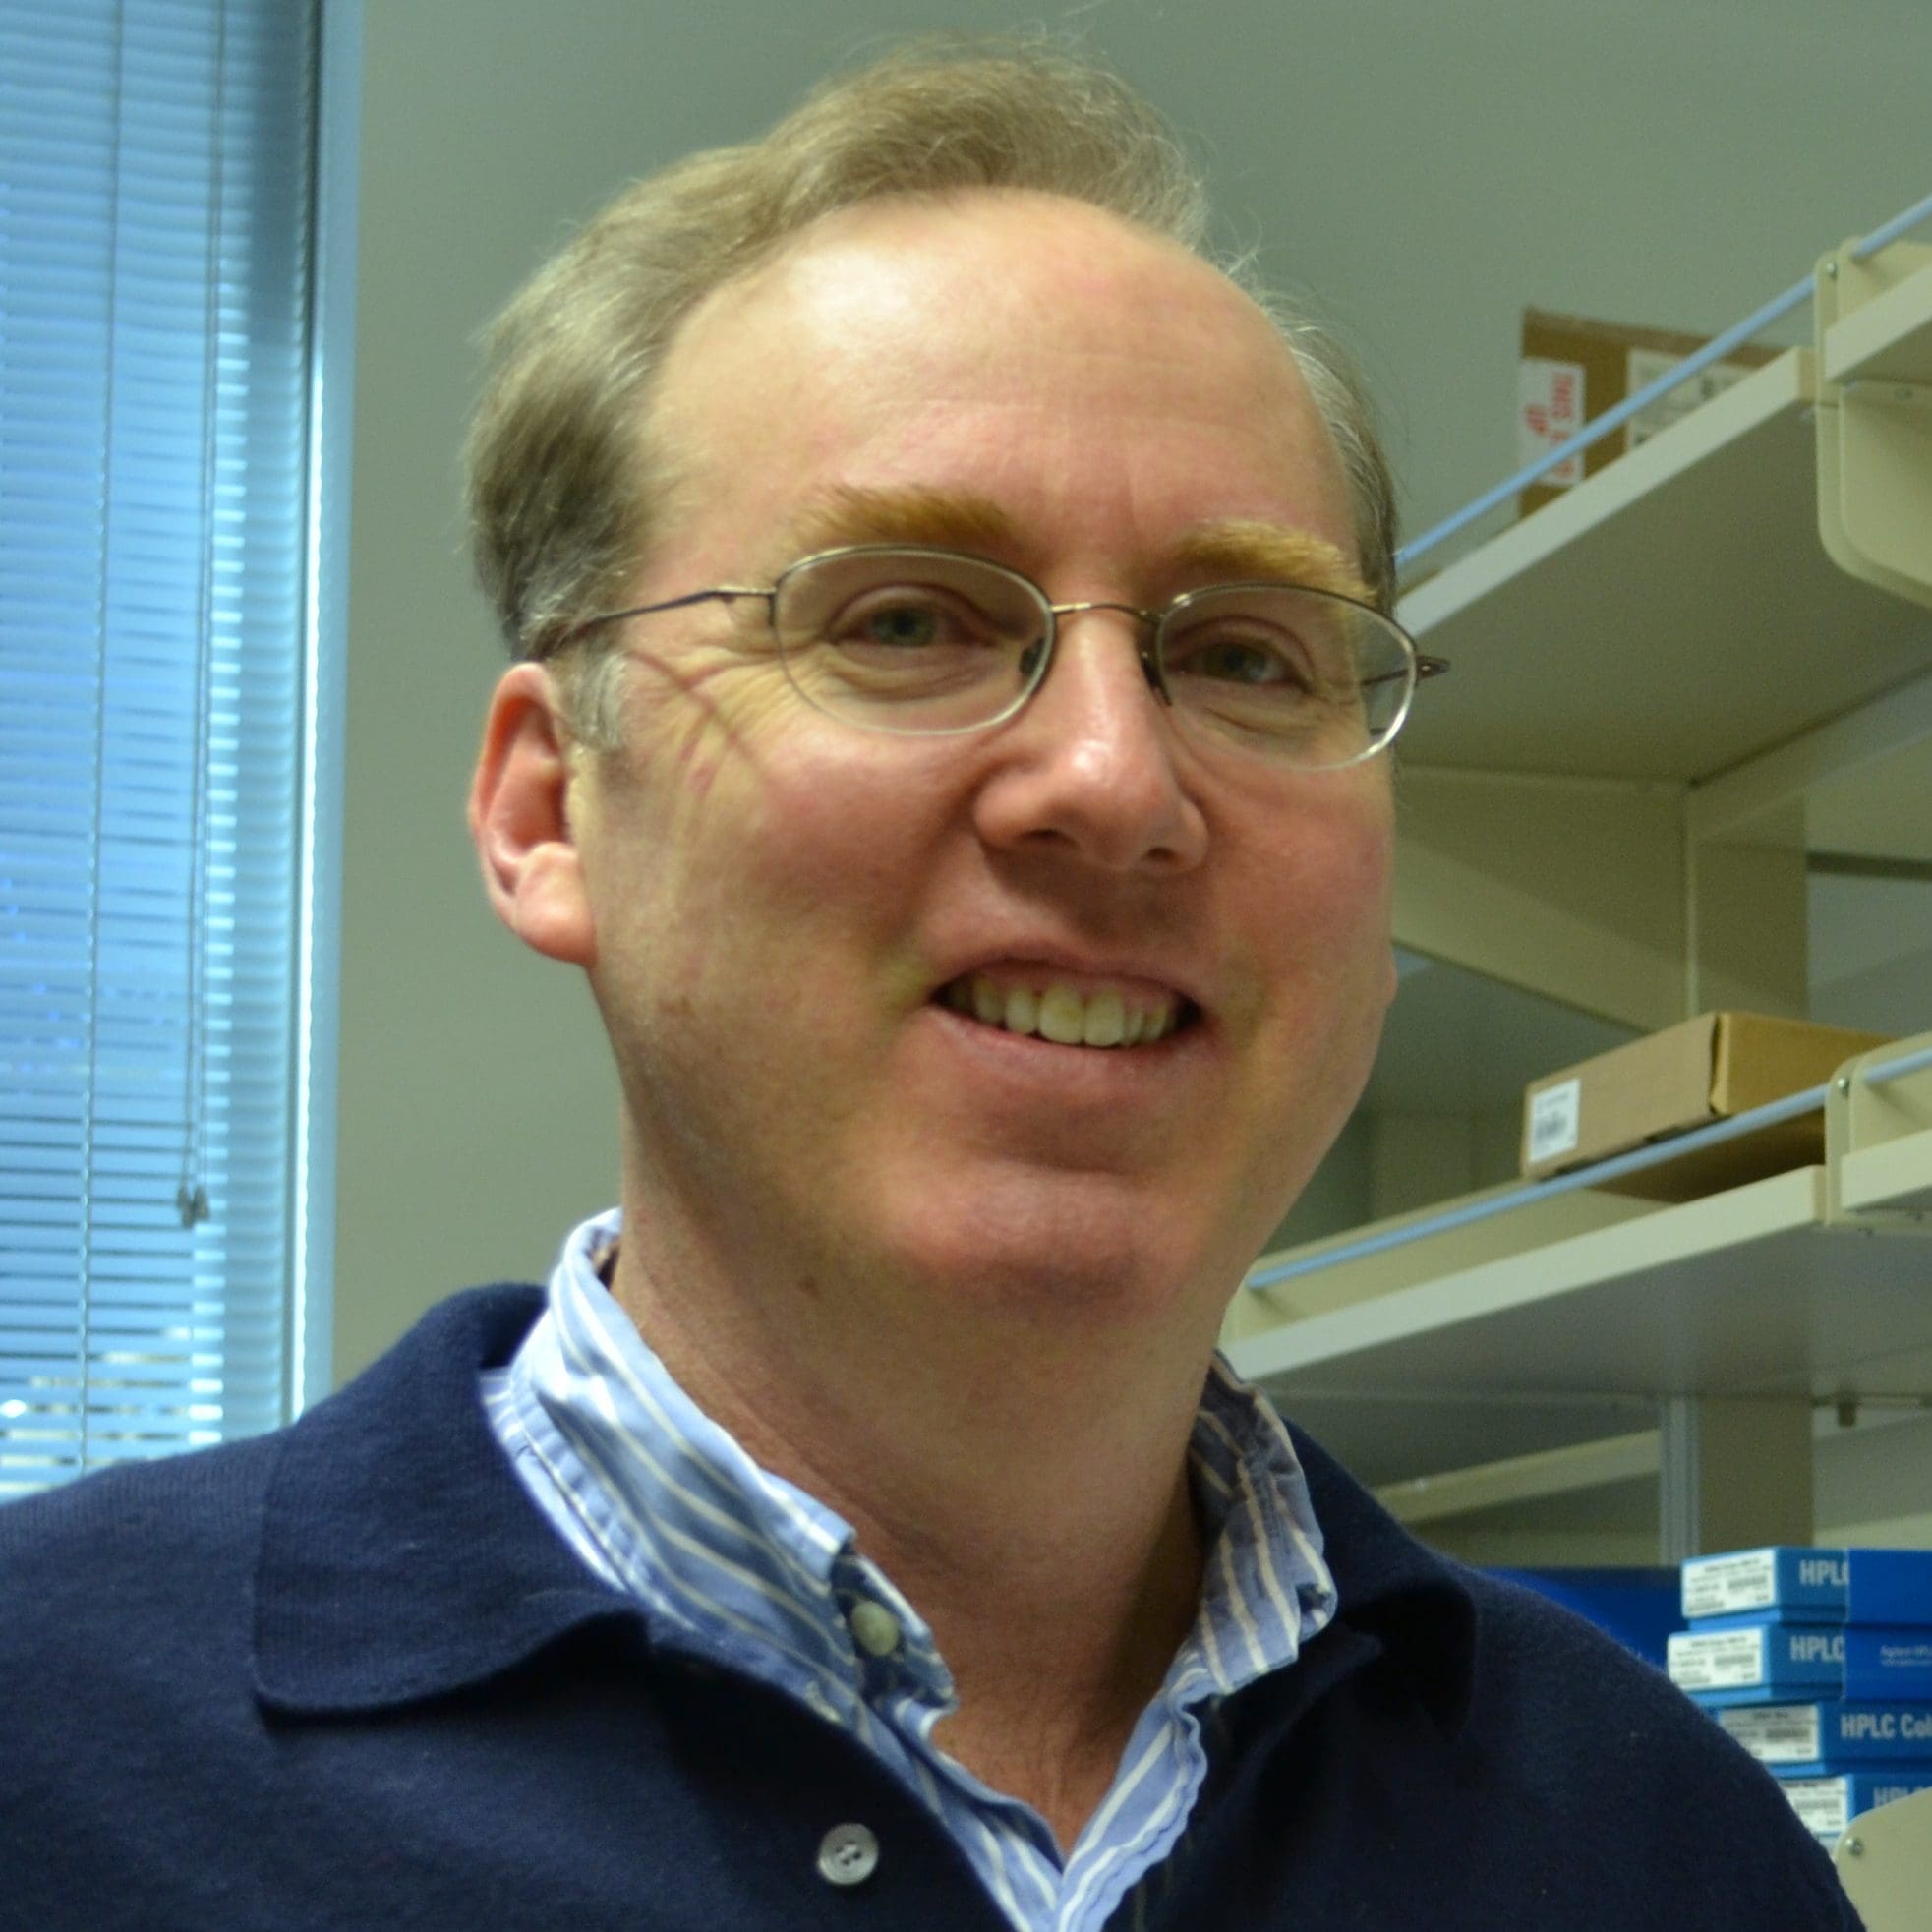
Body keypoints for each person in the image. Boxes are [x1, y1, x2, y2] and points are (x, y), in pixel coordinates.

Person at [0, 41, 1861, 1932]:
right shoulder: (54, 1758)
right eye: (904, 619)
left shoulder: (1661, 1850)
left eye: (1242, 654)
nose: (1116, 781)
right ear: (552, 808)